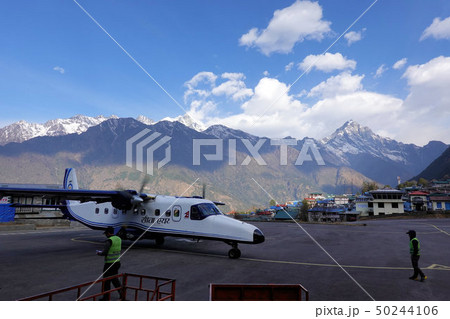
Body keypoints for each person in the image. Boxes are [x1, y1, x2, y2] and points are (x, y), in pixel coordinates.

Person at [97, 227, 123, 300]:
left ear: (108, 233)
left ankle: (106, 297)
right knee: (115, 279)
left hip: (109, 263)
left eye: (106, 234)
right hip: (117, 262)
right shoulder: (118, 239)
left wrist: (99, 253)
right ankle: (122, 294)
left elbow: (105, 252)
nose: (106, 235)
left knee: (106, 281)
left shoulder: (109, 240)